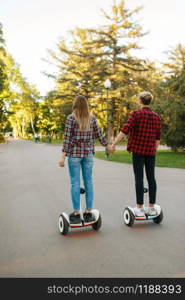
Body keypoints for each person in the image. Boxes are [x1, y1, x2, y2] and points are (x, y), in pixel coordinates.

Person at [59, 95, 112, 224]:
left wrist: (62, 157)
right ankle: (88, 211)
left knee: (75, 183)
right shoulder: (92, 118)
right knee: (88, 181)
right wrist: (108, 146)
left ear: (75, 105)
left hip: (74, 155)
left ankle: (77, 212)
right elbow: (99, 134)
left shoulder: (71, 118)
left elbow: (67, 139)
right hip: (88, 154)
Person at [111, 91, 161, 217]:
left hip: (138, 151)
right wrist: (154, 150)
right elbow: (157, 137)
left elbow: (124, 131)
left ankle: (139, 207)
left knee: (139, 178)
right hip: (150, 152)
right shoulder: (156, 117)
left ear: (140, 101)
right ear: (150, 101)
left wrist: (114, 144)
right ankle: (151, 207)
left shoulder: (136, 114)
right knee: (151, 178)